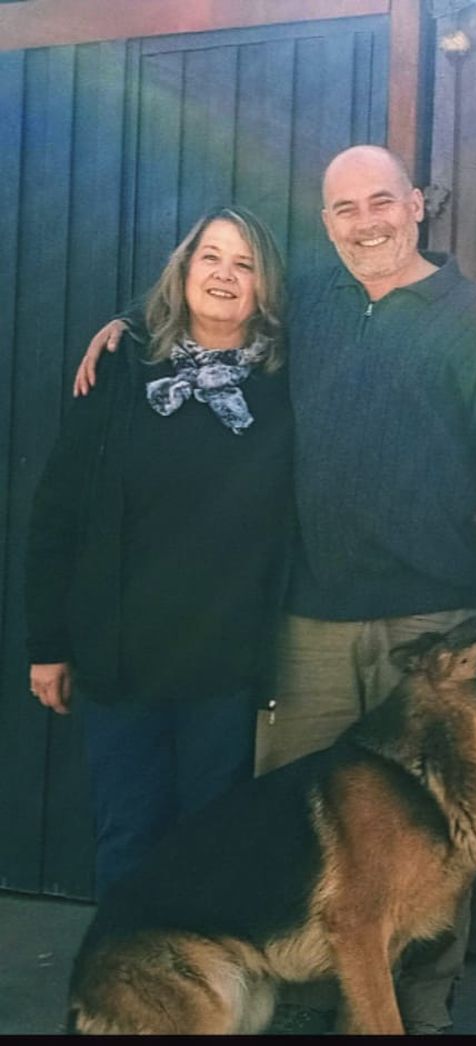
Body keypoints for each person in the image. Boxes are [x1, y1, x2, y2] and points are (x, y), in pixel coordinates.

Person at [75, 145, 476, 1035]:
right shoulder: (311, 303)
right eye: (345, 209)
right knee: (305, 842)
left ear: (417, 205)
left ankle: (421, 1006)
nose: (367, 222)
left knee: (441, 837)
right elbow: (217, 301)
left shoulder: (473, 321)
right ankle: (301, 1010)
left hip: (435, 611)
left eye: (382, 202)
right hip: (312, 618)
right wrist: (128, 327)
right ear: (326, 220)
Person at [28, 205, 292, 900]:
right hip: (122, 662)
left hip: (227, 667)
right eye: (211, 257)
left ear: (265, 287)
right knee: (129, 841)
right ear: (183, 270)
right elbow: (57, 514)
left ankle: (201, 1003)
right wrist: (47, 644)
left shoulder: (286, 388)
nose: (226, 275)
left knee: (212, 844)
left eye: (245, 263)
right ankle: (125, 999)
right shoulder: (120, 372)